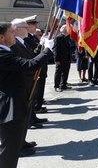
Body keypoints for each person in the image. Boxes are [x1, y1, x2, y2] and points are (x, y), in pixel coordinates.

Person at [0, 21, 53, 168]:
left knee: (12, 147)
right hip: (9, 107)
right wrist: (48, 49)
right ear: (1, 38)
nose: (15, 34)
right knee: (9, 149)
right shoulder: (2, 54)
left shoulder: (6, 51)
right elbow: (30, 65)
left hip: (14, 104)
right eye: (11, 32)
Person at [23, 15, 48, 115]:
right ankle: (36, 108)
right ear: (28, 26)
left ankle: (37, 105)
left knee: (39, 88)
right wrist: (42, 45)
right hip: (34, 67)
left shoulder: (31, 37)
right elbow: (34, 53)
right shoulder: (26, 38)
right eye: (33, 24)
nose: (36, 26)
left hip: (40, 66)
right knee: (35, 89)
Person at [53, 25, 72, 92]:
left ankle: (63, 85)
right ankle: (56, 86)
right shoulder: (59, 37)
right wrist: (56, 60)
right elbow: (55, 49)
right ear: (65, 30)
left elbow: (68, 49)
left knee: (65, 72)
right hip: (60, 58)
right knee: (58, 72)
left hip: (66, 58)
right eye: (69, 29)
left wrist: (70, 58)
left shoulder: (67, 37)